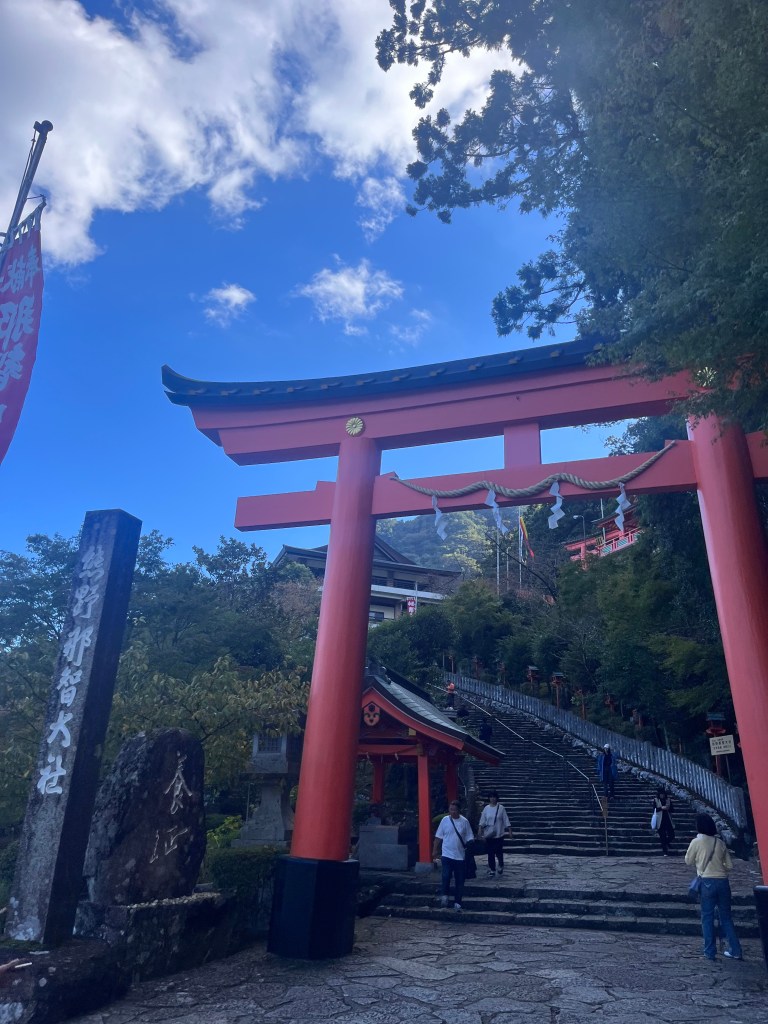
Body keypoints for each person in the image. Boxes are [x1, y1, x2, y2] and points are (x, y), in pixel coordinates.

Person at [685, 813, 743, 961]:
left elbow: (688, 860)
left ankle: (710, 951)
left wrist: (701, 862)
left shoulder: (696, 842)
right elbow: (729, 865)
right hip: (723, 882)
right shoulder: (720, 843)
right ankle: (736, 950)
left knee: (707, 917)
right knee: (726, 917)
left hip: (706, 882)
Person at [432, 799, 474, 911]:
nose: (453, 812)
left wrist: (470, 845)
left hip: (460, 856)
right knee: (446, 875)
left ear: (459, 810)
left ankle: (458, 902)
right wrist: (434, 850)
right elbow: (438, 836)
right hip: (447, 854)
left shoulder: (464, 822)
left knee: (460, 880)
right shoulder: (445, 820)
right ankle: (445, 895)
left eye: (455, 810)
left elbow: (470, 837)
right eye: (451, 809)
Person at [478, 790, 511, 877]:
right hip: (489, 834)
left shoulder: (501, 808)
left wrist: (509, 830)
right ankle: (492, 868)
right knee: (490, 852)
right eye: (491, 797)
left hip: (499, 834)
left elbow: (505, 819)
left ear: (497, 798)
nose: (492, 799)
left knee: (499, 851)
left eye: (494, 797)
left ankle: (500, 864)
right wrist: (480, 829)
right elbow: (483, 820)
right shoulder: (486, 808)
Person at [652, 788, 675, 855]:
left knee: (672, 835)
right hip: (660, 820)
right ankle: (665, 851)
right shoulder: (656, 800)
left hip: (668, 820)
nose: (662, 795)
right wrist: (661, 808)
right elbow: (654, 809)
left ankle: (666, 843)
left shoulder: (668, 800)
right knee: (662, 836)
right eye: (661, 794)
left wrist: (668, 808)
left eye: (663, 794)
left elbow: (672, 809)